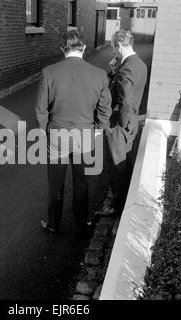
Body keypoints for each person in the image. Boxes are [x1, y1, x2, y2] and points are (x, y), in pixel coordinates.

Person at [36, 30, 112, 236]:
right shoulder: (99, 74)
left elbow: (41, 109)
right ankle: (82, 223)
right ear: (84, 48)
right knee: (81, 183)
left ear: (63, 49)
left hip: (57, 136)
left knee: (56, 183)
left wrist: (44, 133)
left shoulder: (49, 72)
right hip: (85, 136)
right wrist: (98, 129)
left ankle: (53, 224)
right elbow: (105, 108)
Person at [106, 30, 148, 213]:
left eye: (114, 48)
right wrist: (114, 70)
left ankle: (117, 206)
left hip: (122, 124)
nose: (114, 52)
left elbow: (125, 101)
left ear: (120, 46)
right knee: (125, 163)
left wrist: (121, 128)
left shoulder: (126, 69)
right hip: (133, 120)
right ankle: (123, 201)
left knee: (117, 167)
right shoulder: (139, 64)